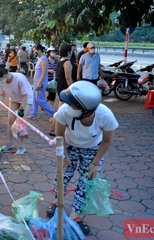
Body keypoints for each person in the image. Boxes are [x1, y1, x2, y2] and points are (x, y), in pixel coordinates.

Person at [46, 81, 118, 235]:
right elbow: (59, 136)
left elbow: (107, 141)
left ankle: (75, 214)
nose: (68, 107)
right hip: (69, 146)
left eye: (74, 106)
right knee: (62, 176)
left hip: (93, 149)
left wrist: (95, 163)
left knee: (87, 182)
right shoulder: (64, 111)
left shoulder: (105, 115)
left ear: (86, 110)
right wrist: (64, 156)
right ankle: (58, 202)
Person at [0, 64, 33, 155]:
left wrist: (22, 109)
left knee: (21, 121)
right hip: (14, 98)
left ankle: (22, 146)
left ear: (4, 76)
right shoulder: (1, 82)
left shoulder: (19, 79)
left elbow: (25, 95)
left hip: (26, 98)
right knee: (10, 120)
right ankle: (10, 143)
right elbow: (1, 96)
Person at [29, 44, 56, 135]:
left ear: (39, 50)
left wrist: (40, 83)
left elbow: (44, 72)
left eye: (35, 50)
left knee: (40, 99)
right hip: (37, 82)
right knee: (34, 98)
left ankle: (53, 114)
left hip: (40, 83)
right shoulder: (39, 59)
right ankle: (33, 113)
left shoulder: (44, 59)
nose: (34, 52)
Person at [57, 44, 74, 108]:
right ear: (68, 52)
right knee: (65, 104)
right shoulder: (67, 62)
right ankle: (59, 117)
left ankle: (58, 116)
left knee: (62, 102)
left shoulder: (60, 61)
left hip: (60, 84)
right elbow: (68, 77)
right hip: (65, 85)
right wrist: (72, 87)